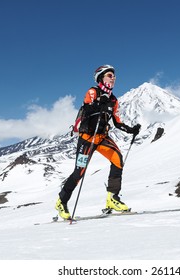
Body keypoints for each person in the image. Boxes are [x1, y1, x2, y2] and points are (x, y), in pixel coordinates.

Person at [55, 65, 141, 220]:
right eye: (109, 75)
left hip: (101, 138)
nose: (113, 78)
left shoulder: (114, 100)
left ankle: (112, 198)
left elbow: (117, 121)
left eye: (114, 76)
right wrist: (98, 103)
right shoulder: (93, 92)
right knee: (79, 172)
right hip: (87, 138)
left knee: (117, 160)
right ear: (101, 77)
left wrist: (131, 130)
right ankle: (62, 201)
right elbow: (86, 109)